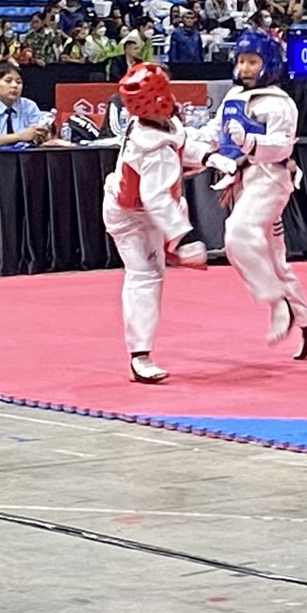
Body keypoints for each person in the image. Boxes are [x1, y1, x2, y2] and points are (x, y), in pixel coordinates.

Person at [197, 30, 307, 359]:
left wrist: (250, 142)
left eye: (252, 61)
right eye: (241, 61)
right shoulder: (233, 96)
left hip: (270, 179)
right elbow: (216, 132)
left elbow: (282, 146)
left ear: (268, 63)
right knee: (273, 259)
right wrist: (189, 138)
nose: (245, 68)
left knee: (238, 233)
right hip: (242, 180)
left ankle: (276, 300)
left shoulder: (280, 103)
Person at [101, 63, 209, 383]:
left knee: (177, 206)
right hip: (130, 218)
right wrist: (184, 237)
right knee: (145, 276)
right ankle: (140, 356)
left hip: (145, 211)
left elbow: (181, 144)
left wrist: (210, 157)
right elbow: (155, 198)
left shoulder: (159, 124)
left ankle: (171, 244)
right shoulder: (151, 146)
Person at [0, 62, 54, 147]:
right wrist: (21, 136)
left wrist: (42, 134)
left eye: (18, 82)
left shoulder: (29, 106)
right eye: (8, 81)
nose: (14, 85)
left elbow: (37, 135)